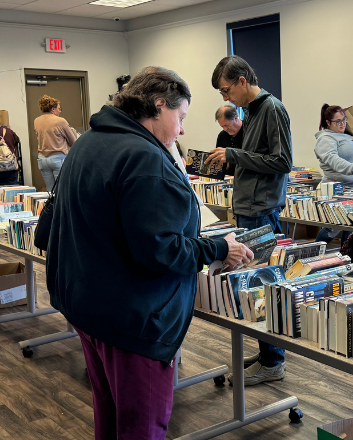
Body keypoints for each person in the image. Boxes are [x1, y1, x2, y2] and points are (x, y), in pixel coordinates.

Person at [46, 66, 253, 440]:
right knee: (142, 426)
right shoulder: (144, 158)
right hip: (132, 318)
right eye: (181, 117)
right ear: (159, 106)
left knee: (109, 417)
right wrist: (219, 247)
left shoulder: (90, 142)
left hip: (89, 305)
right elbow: (159, 250)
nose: (182, 130)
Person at [207, 55, 292, 386]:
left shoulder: (272, 109)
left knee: (262, 283)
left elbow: (282, 161)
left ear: (243, 80)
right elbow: (257, 158)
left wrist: (233, 154)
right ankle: (268, 353)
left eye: (226, 90)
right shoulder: (253, 111)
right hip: (249, 205)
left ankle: (274, 360)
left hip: (261, 208)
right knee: (252, 283)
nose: (226, 98)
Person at [314, 104, 353, 244]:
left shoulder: (346, 136)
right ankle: (313, 254)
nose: (343, 123)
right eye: (338, 121)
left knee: (352, 224)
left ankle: (347, 258)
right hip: (341, 190)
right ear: (328, 122)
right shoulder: (325, 139)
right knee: (335, 226)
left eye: (344, 119)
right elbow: (332, 160)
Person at [33, 95, 78, 191]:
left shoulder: (36, 121)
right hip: (58, 159)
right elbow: (73, 142)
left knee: (50, 191)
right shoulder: (60, 121)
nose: (60, 111)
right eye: (59, 108)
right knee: (62, 190)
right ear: (53, 109)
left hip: (42, 160)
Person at [214, 104, 244, 175]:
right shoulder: (222, 135)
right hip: (228, 179)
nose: (225, 129)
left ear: (236, 118)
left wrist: (230, 163)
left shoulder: (250, 132)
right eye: (222, 126)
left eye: (226, 125)